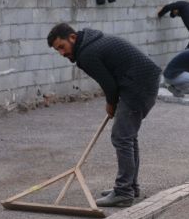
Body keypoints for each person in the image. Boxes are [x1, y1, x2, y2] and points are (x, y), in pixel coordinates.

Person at [47, 23, 161, 207]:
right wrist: (114, 102)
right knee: (128, 137)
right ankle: (130, 186)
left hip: (138, 84)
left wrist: (111, 103)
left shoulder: (86, 54)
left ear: (73, 38)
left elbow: (109, 85)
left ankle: (124, 192)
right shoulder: (91, 42)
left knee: (122, 137)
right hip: (142, 80)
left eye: (62, 47)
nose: (61, 53)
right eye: (57, 50)